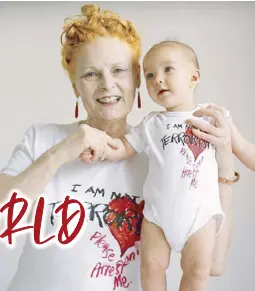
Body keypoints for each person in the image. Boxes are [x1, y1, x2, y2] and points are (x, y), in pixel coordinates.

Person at [0, 4, 236, 291]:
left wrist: (224, 164)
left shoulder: (162, 155)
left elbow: (213, 264)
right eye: (90, 74)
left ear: (138, 78)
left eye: (119, 70)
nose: (107, 84)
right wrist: (61, 152)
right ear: (75, 86)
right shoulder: (41, 139)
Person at [79, 40, 240, 291]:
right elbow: (123, 148)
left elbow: (245, 152)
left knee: (197, 272)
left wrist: (229, 143)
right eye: (150, 75)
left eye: (168, 70)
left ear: (194, 77)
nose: (157, 79)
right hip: (157, 215)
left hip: (200, 215)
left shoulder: (212, 116)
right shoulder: (151, 123)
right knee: (151, 267)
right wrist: (100, 150)